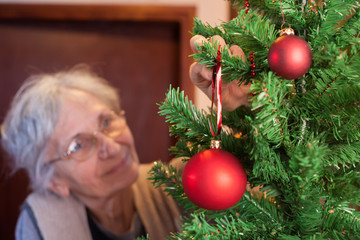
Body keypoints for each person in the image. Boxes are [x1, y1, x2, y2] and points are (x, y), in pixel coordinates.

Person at [1, 35, 250, 240]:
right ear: (54, 181)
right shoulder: (43, 223)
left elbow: (272, 192)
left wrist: (244, 104)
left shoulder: (187, 181)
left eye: (107, 122)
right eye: (78, 144)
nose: (110, 145)